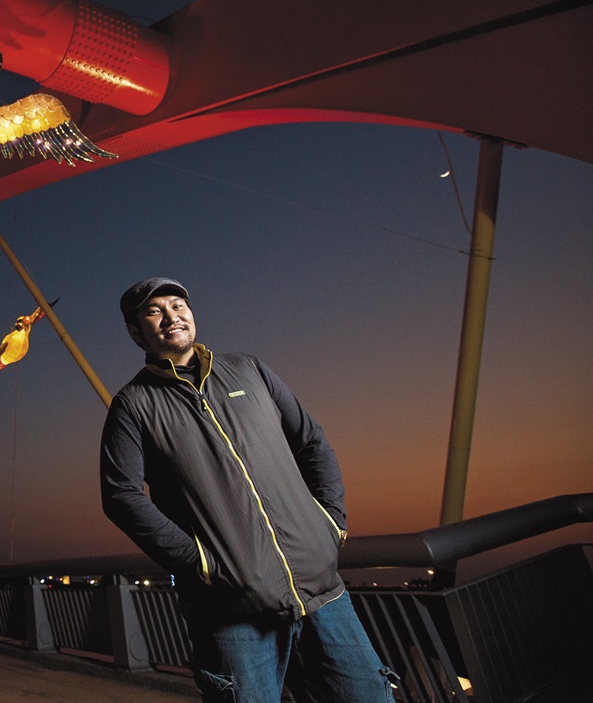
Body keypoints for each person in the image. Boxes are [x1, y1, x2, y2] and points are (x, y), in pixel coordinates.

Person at [99, 277, 397, 703]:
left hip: (322, 595)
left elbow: (311, 440)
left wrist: (330, 521)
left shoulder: (248, 369)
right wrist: (201, 564)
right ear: (135, 332)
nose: (171, 316)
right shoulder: (133, 405)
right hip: (229, 612)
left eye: (178, 304)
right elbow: (121, 497)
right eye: (154, 311)